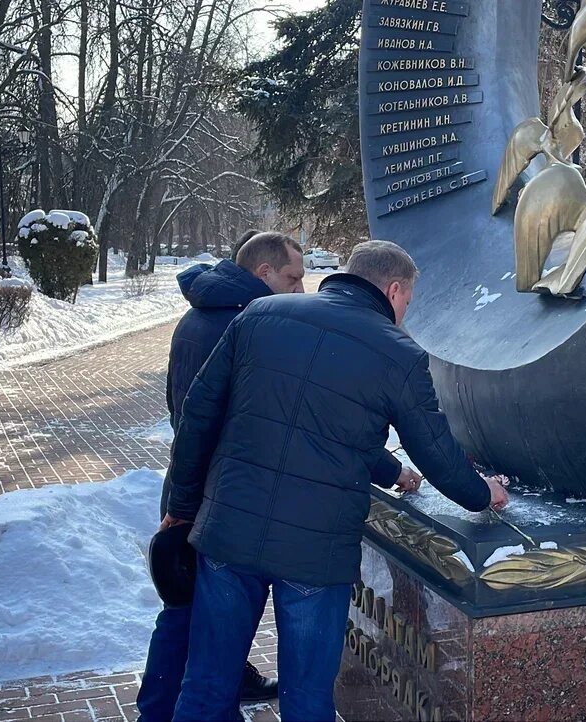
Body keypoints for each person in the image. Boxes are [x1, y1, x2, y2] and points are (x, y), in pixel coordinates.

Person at [163, 240, 509, 722]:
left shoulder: (261, 314)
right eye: (408, 300)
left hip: (228, 533)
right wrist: (482, 492)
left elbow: (200, 414)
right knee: (306, 701)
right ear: (393, 290)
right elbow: (437, 451)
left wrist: (181, 505)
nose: (407, 312)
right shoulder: (398, 353)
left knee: (204, 689)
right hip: (314, 555)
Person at [140, 232, 418, 721]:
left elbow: (288, 422)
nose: (301, 290)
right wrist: (185, 507)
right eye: (293, 277)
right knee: (193, 642)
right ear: (264, 274)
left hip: (218, 505)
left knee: (201, 662)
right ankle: (155, 711)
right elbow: (255, 423)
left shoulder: (215, 317)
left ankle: (162, 709)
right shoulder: (251, 324)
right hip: (222, 502)